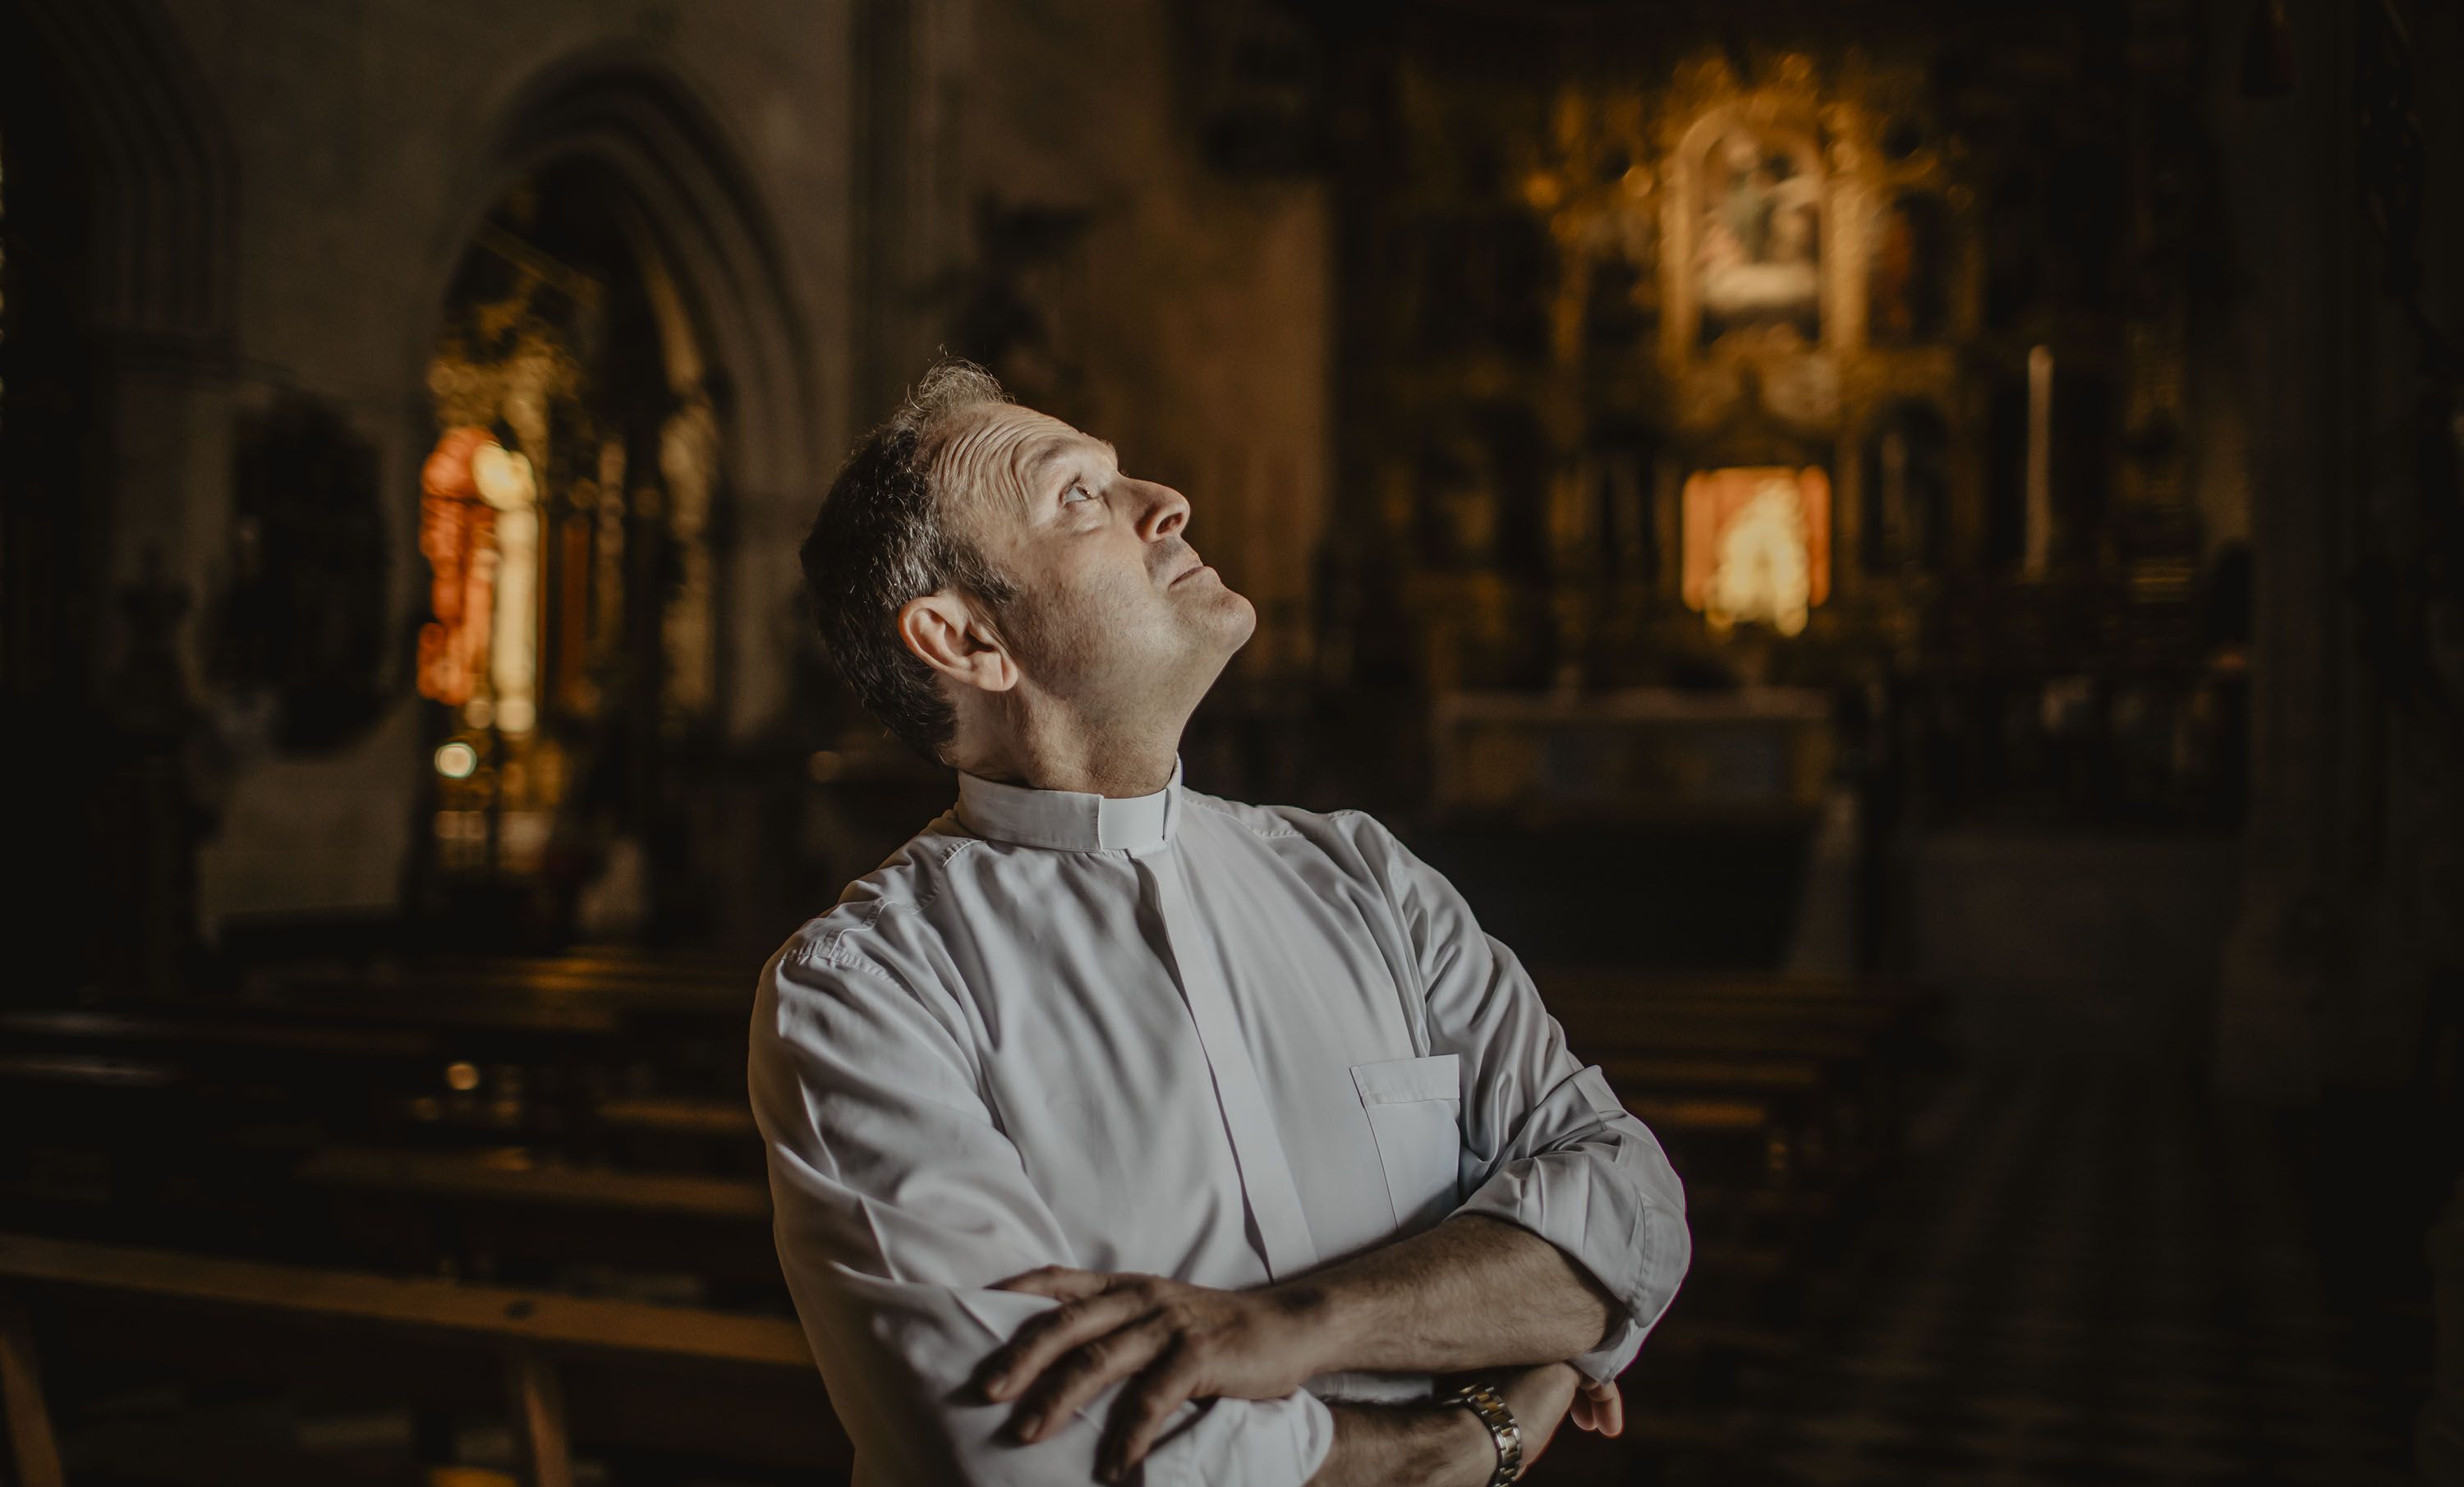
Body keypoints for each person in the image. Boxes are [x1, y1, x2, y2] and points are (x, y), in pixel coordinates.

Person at [749, 359, 1690, 1486]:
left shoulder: (1368, 880)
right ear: (965, 642)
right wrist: (1448, 1438)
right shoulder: (864, 988)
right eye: (1081, 495)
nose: (1165, 500)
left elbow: (1633, 1208)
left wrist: (1301, 1327)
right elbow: (1017, 1448)